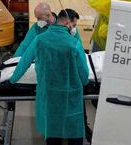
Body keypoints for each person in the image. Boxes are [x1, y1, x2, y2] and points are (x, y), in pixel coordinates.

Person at [10, 9, 90, 145]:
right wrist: (86, 83)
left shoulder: (39, 39)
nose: (74, 29)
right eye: (74, 25)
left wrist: (12, 80)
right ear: (67, 23)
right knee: (73, 128)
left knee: (52, 128)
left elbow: (24, 61)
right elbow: (83, 73)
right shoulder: (74, 43)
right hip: (70, 95)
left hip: (48, 93)